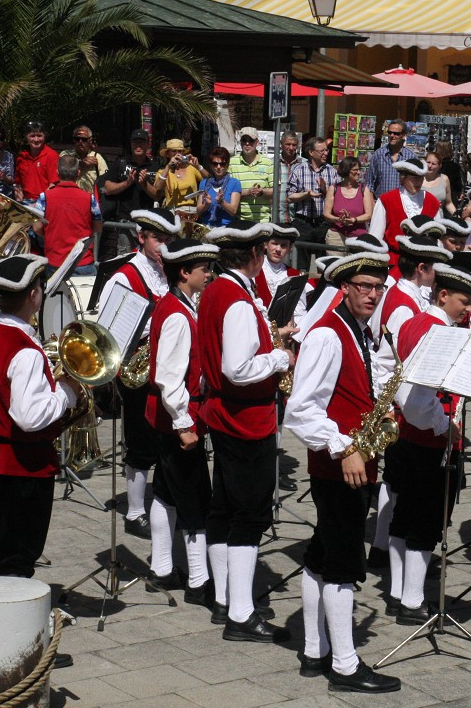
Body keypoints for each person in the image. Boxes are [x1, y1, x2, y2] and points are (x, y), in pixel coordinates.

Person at [284, 248, 403, 693]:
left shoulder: (356, 331)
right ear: (345, 289)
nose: (373, 294)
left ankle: (315, 651)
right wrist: (345, 446)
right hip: (341, 468)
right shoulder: (328, 335)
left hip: (351, 463)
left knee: (321, 553)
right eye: (364, 287)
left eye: (379, 287)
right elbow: (299, 411)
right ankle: (346, 666)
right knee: (342, 564)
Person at [200, 223, 294, 638]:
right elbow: (236, 368)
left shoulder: (217, 290)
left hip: (225, 414)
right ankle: (240, 612)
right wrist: (279, 359)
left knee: (225, 506)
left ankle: (224, 598)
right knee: (250, 514)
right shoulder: (236, 299)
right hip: (245, 417)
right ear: (256, 254)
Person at [0, 254, 76, 578]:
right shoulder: (25, 350)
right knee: (18, 554)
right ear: (33, 294)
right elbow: (29, 417)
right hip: (21, 466)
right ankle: (8, 620)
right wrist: (66, 393)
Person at [379, 248, 464, 621]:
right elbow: (417, 399)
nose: (469, 310)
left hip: (406, 435)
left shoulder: (414, 322)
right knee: (426, 521)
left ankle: (398, 593)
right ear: (443, 295)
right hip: (428, 438)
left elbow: (392, 377)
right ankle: (413, 602)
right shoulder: (438, 332)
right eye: (465, 301)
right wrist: (447, 428)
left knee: (403, 515)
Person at [97, 208, 180, 539]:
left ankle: (164, 501)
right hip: (138, 368)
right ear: (141, 237)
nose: (163, 246)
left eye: (168, 240)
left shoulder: (167, 272)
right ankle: (133, 512)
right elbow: (107, 328)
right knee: (140, 438)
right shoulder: (124, 276)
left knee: (167, 436)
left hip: (169, 363)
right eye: (158, 239)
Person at [144, 238, 219, 602]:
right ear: (185, 273)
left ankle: (161, 568)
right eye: (204, 269)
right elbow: (169, 376)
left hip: (171, 418)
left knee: (166, 491)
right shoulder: (176, 313)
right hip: (178, 419)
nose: (209, 274)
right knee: (194, 500)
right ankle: (198, 581)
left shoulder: (178, 305)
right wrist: (184, 423)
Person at [35, 154, 102, 276]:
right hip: (83, 262)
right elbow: (97, 227)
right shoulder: (90, 199)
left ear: (57, 173)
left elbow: (37, 228)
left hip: (55, 262)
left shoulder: (44, 198)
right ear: (78, 173)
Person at [367, 158, 442, 267]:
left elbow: (438, 239)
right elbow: (375, 237)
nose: (419, 182)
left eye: (421, 178)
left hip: (424, 264)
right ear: (403, 178)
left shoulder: (432, 202)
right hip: (393, 263)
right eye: (414, 178)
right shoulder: (387, 200)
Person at [101, 128, 162, 260]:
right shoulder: (120, 163)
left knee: (146, 260)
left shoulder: (155, 167)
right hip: (125, 222)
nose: (138, 145)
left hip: (146, 225)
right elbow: (107, 188)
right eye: (135, 142)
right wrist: (126, 183)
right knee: (124, 260)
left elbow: (158, 195)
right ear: (130, 143)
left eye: (142, 142)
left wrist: (145, 184)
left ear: (147, 144)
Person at [287, 137, 339, 258]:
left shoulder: (332, 171)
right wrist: (306, 194)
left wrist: (325, 190)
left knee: (323, 265)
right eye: (322, 151)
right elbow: (289, 196)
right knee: (300, 264)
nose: (326, 153)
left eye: (327, 150)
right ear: (311, 152)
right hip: (303, 224)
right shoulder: (298, 170)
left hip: (324, 225)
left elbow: (338, 198)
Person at [323, 157, 374, 248]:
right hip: (336, 236)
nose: (358, 172)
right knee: (335, 262)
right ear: (346, 170)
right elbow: (326, 214)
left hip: (358, 237)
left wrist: (354, 220)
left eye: (359, 170)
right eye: (355, 170)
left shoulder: (364, 189)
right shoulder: (333, 189)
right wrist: (339, 220)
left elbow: (368, 215)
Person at [253, 224, 303, 310]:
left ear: (290, 248)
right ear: (265, 244)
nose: (278, 249)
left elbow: (299, 309)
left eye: (283, 245)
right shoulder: (253, 271)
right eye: (274, 243)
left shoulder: (295, 275)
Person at [229, 127, 273, 223]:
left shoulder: (268, 163)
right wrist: (247, 192)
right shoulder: (231, 163)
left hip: (263, 220)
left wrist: (262, 192)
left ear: (257, 143)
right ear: (240, 142)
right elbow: (227, 191)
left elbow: (275, 191)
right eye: (244, 140)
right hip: (238, 219)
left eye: (251, 140)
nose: (247, 143)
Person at [365, 120, 416, 198]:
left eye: (396, 133)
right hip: (382, 205)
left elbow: (415, 184)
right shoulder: (378, 155)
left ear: (404, 135)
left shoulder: (411, 157)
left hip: (403, 205)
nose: (392, 135)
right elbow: (369, 183)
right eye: (389, 132)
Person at [153, 139, 203, 214]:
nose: (177, 154)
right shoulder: (163, 172)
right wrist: (168, 167)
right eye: (173, 151)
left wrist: (198, 166)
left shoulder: (191, 169)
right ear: (167, 154)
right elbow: (157, 188)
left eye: (180, 151)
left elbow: (208, 180)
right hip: (174, 211)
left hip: (192, 212)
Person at [14, 121, 59, 204]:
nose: (36, 139)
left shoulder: (52, 156)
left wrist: (37, 204)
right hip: (25, 201)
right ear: (26, 137)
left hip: (45, 202)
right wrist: (19, 203)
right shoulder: (21, 157)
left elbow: (53, 186)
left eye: (39, 136)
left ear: (44, 136)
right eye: (32, 136)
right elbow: (18, 184)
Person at [197, 147, 242, 228]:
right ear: (210, 165)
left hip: (225, 228)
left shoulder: (234, 183)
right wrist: (206, 204)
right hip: (206, 227)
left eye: (222, 164)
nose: (218, 167)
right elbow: (198, 211)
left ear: (227, 165)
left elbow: (233, 211)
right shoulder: (204, 183)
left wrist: (222, 202)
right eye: (215, 164)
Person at [60, 125, 108, 200]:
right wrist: (80, 164)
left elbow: (105, 182)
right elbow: (60, 171)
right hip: (67, 197)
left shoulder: (97, 158)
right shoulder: (65, 154)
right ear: (73, 140)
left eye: (84, 139)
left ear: (90, 140)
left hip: (89, 200)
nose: (80, 142)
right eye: (77, 139)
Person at [275, 131, 304, 225]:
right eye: (288, 144)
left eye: (294, 145)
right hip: (277, 218)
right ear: (281, 144)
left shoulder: (305, 164)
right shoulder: (273, 163)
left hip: (297, 220)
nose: (291, 148)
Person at [422, 151, 456, 216]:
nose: (430, 166)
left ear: (439, 166)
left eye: (433, 164)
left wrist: (457, 216)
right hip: (421, 218)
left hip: (438, 220)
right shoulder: (418, 178)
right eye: (428, 162)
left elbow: (448, 203)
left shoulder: (444, 179)